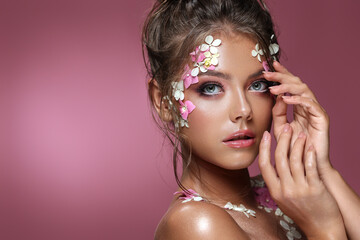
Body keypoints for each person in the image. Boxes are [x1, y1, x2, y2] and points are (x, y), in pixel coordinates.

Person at [142, 0, 360, 239]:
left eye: (258, 85)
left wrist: (321, 167)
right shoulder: (196, 224)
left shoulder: (292, 197)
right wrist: (325, 229)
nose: (244, 110)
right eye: (212, 88)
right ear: (163, 101)